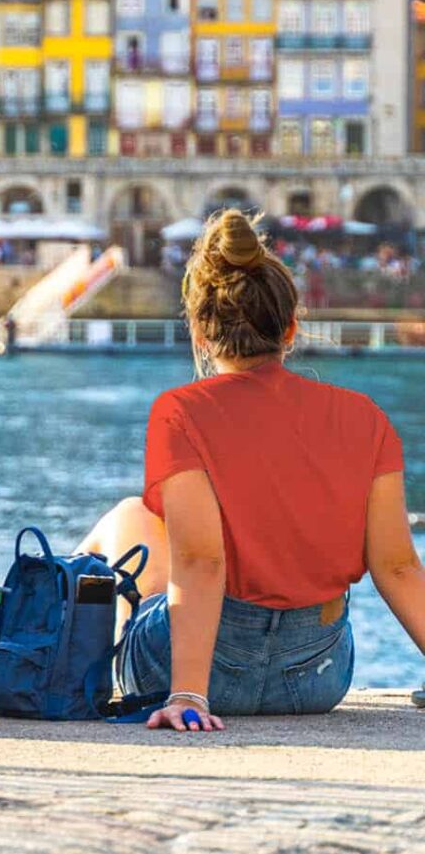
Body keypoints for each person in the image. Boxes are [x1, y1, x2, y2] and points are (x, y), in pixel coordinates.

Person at [79, 208, 425, 733]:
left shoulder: (181, 412)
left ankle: (52, 656)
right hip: (318, 678)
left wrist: (189, 693)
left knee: (129, 518)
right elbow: (398, 568)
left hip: (202, 671)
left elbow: (199, 560)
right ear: (290, 328)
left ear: (198, 330)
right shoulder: (364, 418)